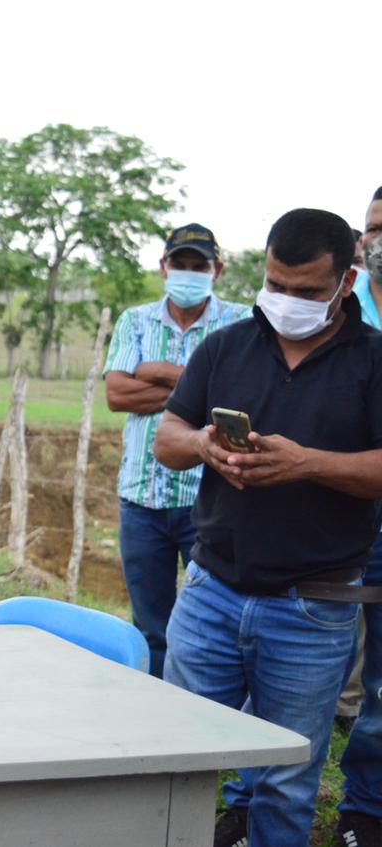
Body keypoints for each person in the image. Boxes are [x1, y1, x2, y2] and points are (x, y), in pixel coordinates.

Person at [154, 208, 382, 847]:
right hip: (210, 590)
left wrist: (308, 463)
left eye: (307, 292)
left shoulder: (373, 362)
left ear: (346, 281)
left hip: (313, 606)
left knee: (286, 772)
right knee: (180, 751)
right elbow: (167, 437)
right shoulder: (226, 344)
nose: (287, 302)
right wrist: (204, 445)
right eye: (277, 285)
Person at [102, 223, 248, 678]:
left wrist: (155, 371)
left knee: (216, 620)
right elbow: (117, 395)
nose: (188, 273)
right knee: (150, 623)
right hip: (140, 498)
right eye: (179, 264)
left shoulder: (240, 321)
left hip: (206, 499)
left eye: (198, 266)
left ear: (217, 270)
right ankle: (155, 710)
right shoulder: (135, 319)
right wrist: (195, 388)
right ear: (163, 267)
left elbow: (241, 396)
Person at [336, 188, 382, 847]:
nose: (379, 237)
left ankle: (364, 806)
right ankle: (362, 811)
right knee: (312, 662)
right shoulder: (341, 305)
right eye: (375, 227)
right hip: (343, 514)